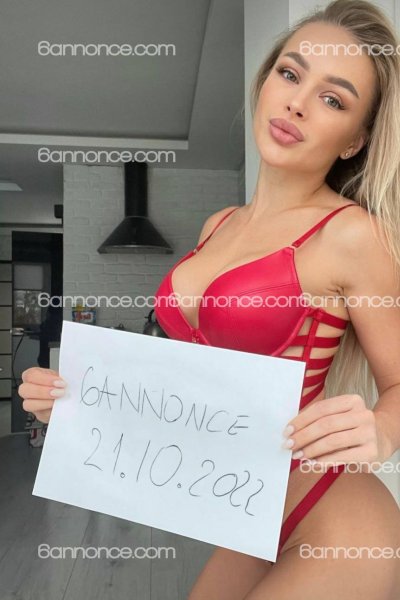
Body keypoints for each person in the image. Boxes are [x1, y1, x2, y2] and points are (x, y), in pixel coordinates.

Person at [19, 0, 400, 597]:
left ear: (355, 140)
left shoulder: (353, 235)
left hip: (337, 515)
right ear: (266, 81)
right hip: (250, 512)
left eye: (333, 99)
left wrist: (383, 430)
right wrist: (75, 407)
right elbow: (190, 394)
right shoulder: (218, 225)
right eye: (290, 74)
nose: (297, 103)